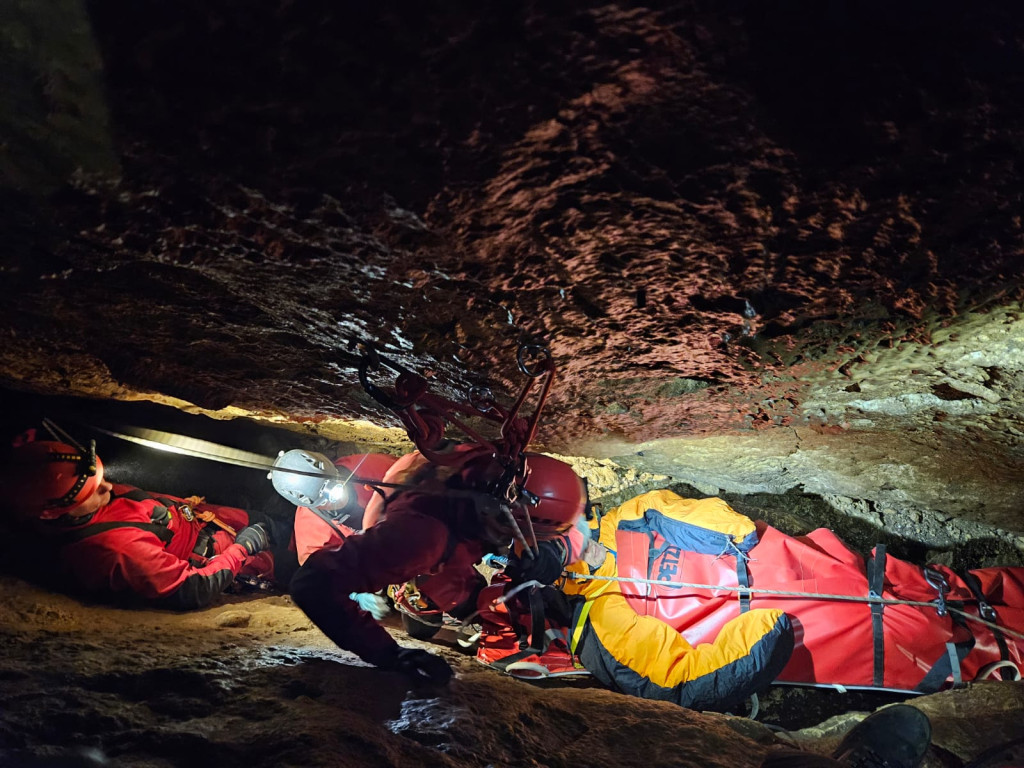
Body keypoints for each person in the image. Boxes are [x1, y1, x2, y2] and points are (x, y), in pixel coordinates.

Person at [476, 488, 1024, 709]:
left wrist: (714, 535)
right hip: (851, 638)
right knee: (953, 646)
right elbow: (681, 680)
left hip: (844, 575)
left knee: (960, 591)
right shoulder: (604, 629)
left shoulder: (636, 516)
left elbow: (730, 526)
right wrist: (762, 632)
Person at [289, 449, 588, 683]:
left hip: (426, 526)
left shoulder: (493, 462)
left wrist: (554, 548)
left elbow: (545, 506)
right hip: (405, 550)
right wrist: (387, 653)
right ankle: (430, 607)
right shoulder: (422, 541)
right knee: (445, 604)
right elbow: (314, 583)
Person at [0, 437, 289, 610]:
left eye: (101, 479)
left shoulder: (81, 496)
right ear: (51, 513)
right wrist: (243, 547)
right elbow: (193, 589)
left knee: (276, 523)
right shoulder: (116, 551)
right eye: (94, 490)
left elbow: (146, 503)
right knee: (297, 564)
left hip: (208, 520)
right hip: (218, 557)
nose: (108, 488)